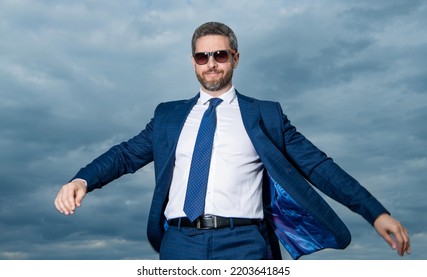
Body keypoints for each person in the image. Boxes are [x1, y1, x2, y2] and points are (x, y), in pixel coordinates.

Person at [54, 22, 411, 260]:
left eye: (220, 55)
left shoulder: (265, 114)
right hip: (179, 242)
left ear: (235, 58)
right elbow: (126, 155)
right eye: (202, 56)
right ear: (193, 62)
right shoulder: (168, 115)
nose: (211, 63)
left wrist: (375, 212)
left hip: (245, 244)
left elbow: (318, 165)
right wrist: (82, 179)